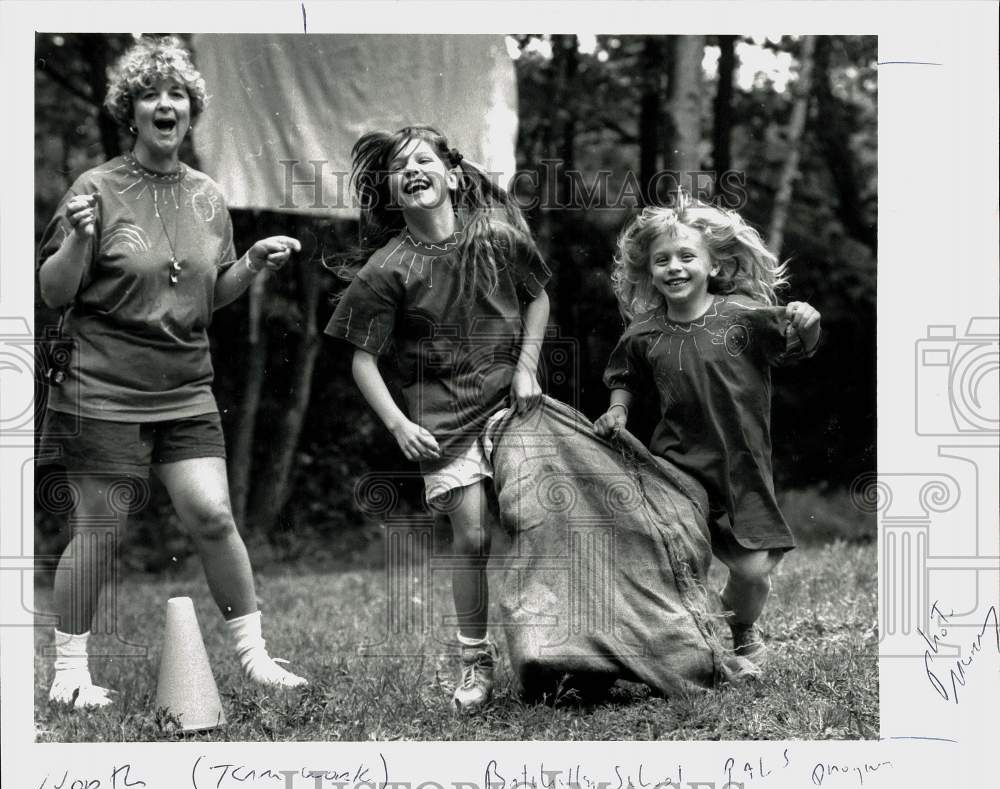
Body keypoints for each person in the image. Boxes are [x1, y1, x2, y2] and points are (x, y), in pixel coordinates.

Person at [37, 36, 307, 709]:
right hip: (100, 387)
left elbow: (206, 293)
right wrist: (77, 239)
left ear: (191, 111)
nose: (165, 104)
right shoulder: (94, 189)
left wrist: (251, 267)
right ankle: (69, 673)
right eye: (151, 94)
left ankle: (255, 658)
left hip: (184, 387)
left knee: (212, 515)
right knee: (102, 527)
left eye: (177, 94)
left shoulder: (208, 195)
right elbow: (53, 292)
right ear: (130, 111)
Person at [325, 125, 551, 712]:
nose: (413, 169)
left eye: (425, 159)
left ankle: (556, 643)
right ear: (392, 190)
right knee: (472, 536)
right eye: (400, 167)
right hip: (441, 423)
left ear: (453, 175)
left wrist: (527, 367)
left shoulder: (498, 238)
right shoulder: (386, 269)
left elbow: (538, 297)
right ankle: (474, 661)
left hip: (509, 408)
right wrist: (399, 424)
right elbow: (362, 361)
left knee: (542, 523)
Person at [594, 196, 821, 670]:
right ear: (648, 270)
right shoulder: (643, 333)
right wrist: (617, 411)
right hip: (676, 469)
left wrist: (807, 322)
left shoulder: (744, 315)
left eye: (686, 256)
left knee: (754, 572)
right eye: (662, 260)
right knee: (679, 564)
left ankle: (737, 626)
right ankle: (690, 643)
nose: (674, 267)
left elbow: (798, 344)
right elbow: (624, 378)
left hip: (741, 468)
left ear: (713, 262)